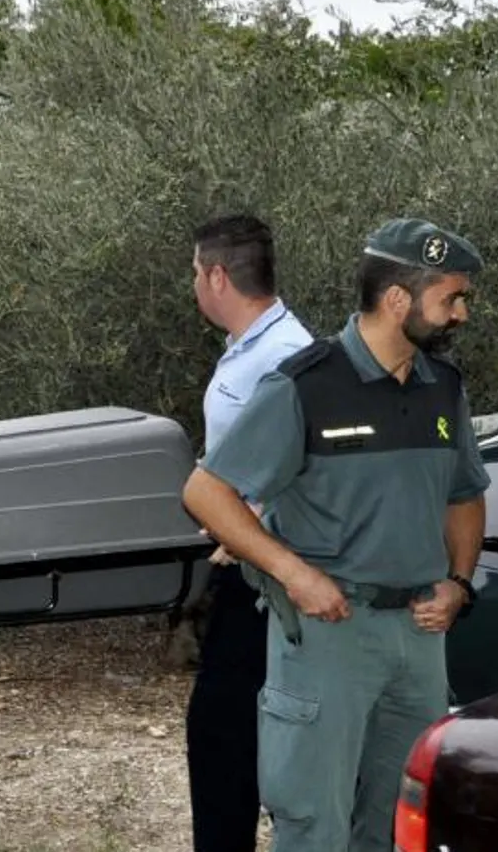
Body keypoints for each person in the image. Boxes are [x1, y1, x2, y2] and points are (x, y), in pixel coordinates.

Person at [180, 217, 490, 852]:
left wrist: (459, 581)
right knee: (313, 824)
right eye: (450, 298)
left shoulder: (444, 390)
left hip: (419, 637)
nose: (460, 314)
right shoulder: (306, 384)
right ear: (399, 299)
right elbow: (207, 492)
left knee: (398, 822)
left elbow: (464, 494)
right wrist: (295, 574)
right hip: (329, 635)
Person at [183, 214, 314, 852]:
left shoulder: (284, 357)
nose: (194, 287)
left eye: (194, 273)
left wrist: (243, 527)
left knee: (225, 736)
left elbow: (301, 467)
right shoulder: (251, 348)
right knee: (221, 735)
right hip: (244, 566)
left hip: (268, 578)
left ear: (216, 274)